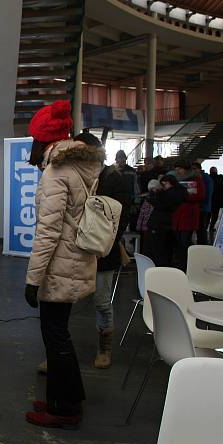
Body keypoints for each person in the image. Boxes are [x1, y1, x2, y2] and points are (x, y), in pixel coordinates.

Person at [24, 101, 102, 429]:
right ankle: (65, 399)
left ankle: (64, 408)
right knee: (59, 335)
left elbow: (48, 231)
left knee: (55, 337)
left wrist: (33, 279)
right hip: (74, 261)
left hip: (59, 266)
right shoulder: (78, 167)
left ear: (43, 139)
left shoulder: (56, 172)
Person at [76, 134, 131, 369]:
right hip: (76, 250)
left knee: (101, 301)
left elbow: (122, 217)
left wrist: (107, 245)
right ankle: (60, 352)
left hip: (103, 252)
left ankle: (104, 348)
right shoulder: (76, 177)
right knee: (66, 302)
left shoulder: (113, 178)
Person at [146, 175, 187, 267]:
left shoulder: (169, 194)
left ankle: (159, 268)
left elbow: (162, 206)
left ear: (169, 183)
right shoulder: (180, 192)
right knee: (167, 249)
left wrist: (153, 196)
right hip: (170, 224)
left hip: (160, 223)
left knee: (158, 250)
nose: (162, 187)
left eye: (164, 185)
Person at [171, 160, 204, 269]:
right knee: (178, 241)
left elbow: (201, 196)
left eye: (179, 169)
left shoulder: (196, 179)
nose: (178, 171)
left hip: (189, 214)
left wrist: (185, 196)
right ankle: (181, 263)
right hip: (177, 214)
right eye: (176, 169)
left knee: (185, 240)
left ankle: (190, 263)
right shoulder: (175, 180)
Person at [192, 162, 213, 245]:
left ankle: (203, 244)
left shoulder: (206, 178)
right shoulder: (197, 178)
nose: (193, 171)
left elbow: (208, 193)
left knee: (201, 228)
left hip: (203, 207)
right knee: (199, 227)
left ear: (199, 169)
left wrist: (202, 204)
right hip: (199, 206)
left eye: (194, 169)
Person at [209, 166, 223, 231]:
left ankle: (206, 227)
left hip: (210, 200)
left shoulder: (209, 178)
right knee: (215, 215)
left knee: (208, 215)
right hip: (217, 201)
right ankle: (211, 227)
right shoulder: (220, 178)